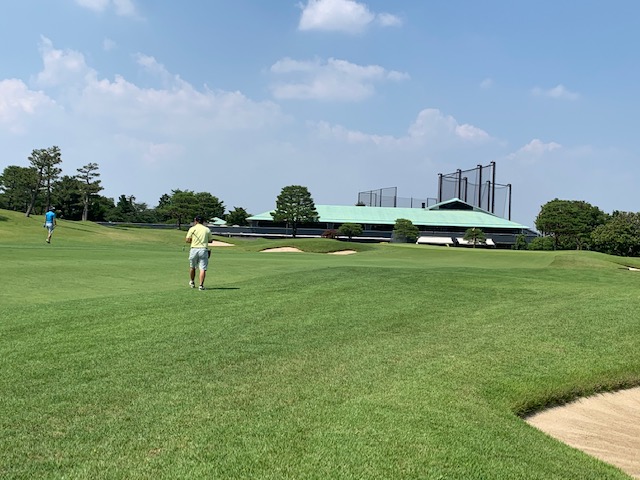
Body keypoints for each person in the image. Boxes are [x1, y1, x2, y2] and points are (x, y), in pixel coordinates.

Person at [185, 215, 212, 290]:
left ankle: (192, 281)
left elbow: (187, 240)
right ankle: (201, 286)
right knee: (202, 268)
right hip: (203, 250)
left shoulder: (192, 229)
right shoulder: (207, 229)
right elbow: (210, 240)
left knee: (192, 267)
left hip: (194, 249)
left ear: (196, 221)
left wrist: (193, 240)